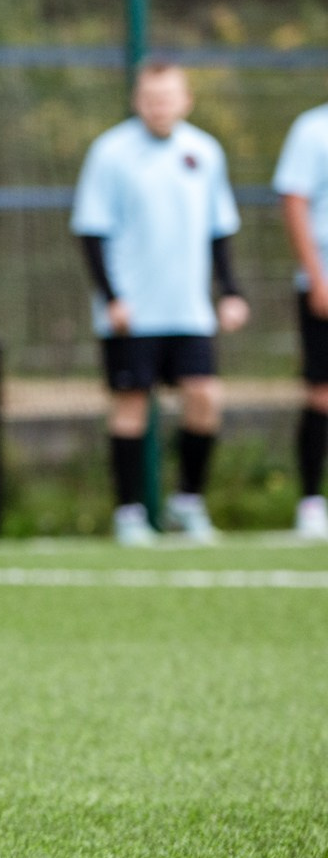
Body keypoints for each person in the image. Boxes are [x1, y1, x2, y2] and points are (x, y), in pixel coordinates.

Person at [73, 61, 245, 545]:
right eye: (150, 98)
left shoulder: (204, 151)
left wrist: (230, 291)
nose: (159, 106)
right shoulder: (110, 152)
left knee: (205, 397)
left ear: (186, 100)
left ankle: (187, 501)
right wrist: (111, 298)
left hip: (188, 308)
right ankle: (129, 512)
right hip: (133, 311)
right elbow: (91, 230)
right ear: (136, 101)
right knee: (132, 406)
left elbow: (219, 231)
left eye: (167, 97)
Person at [275, 96, 328, 540]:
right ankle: (311, 501)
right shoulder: (312, 129)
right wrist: (317, 277)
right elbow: (295, 202)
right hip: (325, 279)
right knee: (322, 393)